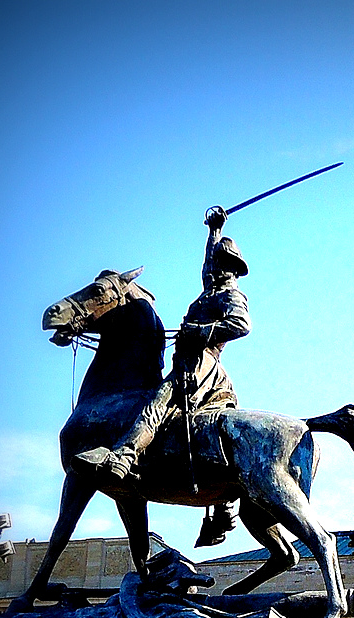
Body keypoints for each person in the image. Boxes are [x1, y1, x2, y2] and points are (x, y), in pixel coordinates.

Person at [73, 206, 250, 544]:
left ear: (232, 269)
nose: (213, 268)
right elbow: (206, 262)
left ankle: (124, 456)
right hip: (189, 360)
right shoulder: (210, 290)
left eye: (220, 264)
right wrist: (214, 230)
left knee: (158, 400)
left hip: (205, 365)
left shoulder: (231, 295)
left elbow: (241, 325)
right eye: (213, 264)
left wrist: (199, 331)